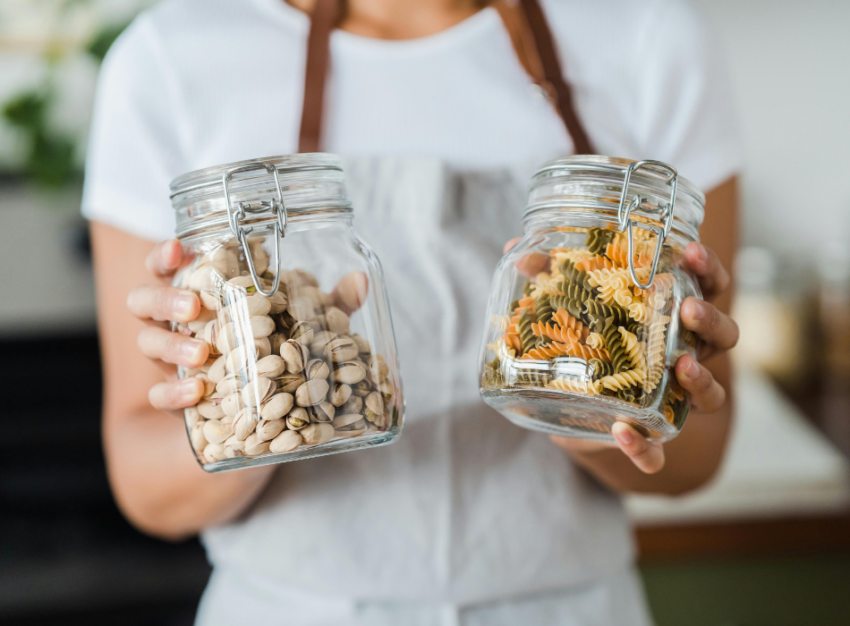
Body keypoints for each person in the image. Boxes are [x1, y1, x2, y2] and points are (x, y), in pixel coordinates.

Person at [84, 0, 741, 623]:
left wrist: (588, 409)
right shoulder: (171, 58)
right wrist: (267, 397)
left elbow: (699, 454)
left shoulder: (647, 35)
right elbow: (148, 487)